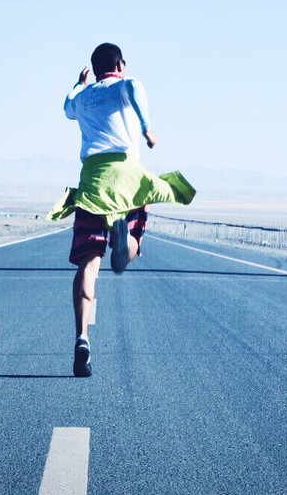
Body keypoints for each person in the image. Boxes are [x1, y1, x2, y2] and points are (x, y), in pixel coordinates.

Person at [53, 43, 195, 377]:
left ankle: (82, 337)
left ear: (94, 70)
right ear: (120, 65)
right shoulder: (125, 85)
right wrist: (146, 127)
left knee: (89, 263)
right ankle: (124, 241)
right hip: (127, 178)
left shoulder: (84, 97)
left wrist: (79, 84)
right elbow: (134, 88)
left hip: (93, 180)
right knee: (132, 242)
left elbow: (66, 107)